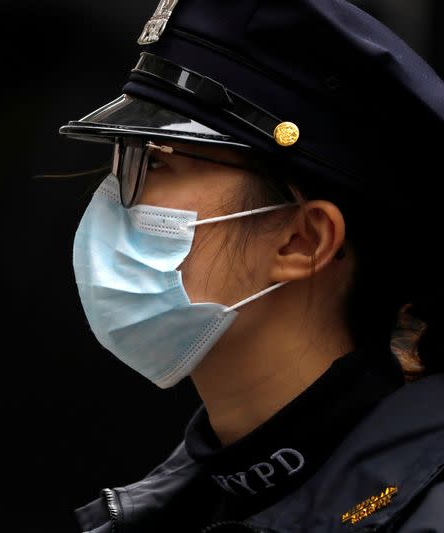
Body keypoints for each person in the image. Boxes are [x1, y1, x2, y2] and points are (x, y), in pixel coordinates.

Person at [58, 0, 444, 531]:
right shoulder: (172, 510)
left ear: (302, 242)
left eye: (155, 162)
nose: (112, 198)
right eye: (125, 159)